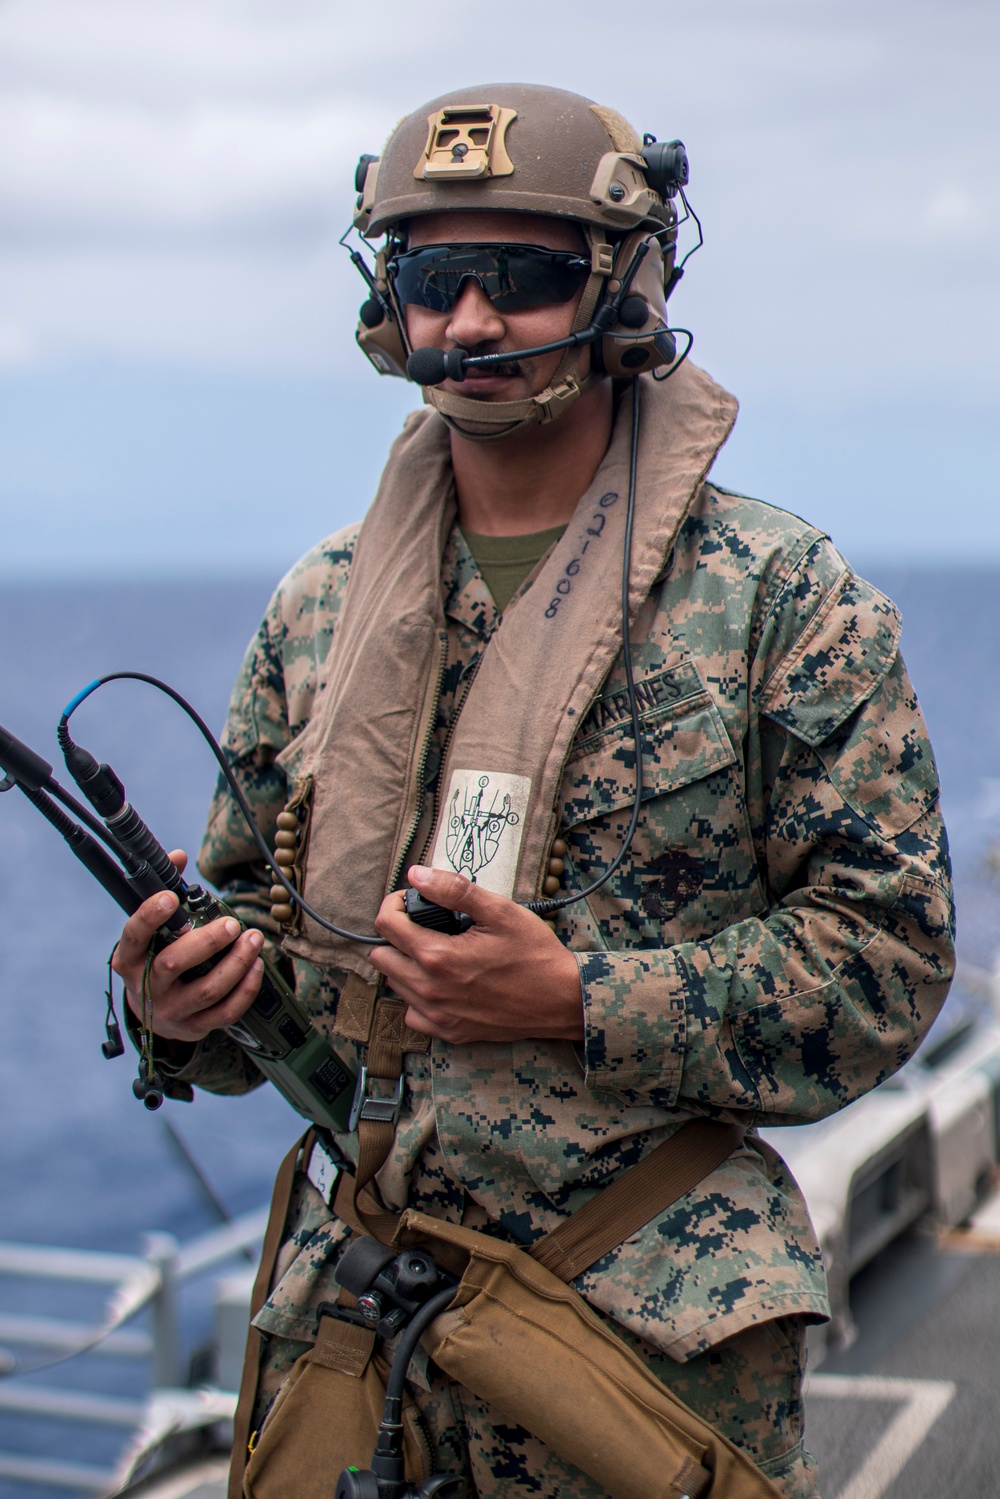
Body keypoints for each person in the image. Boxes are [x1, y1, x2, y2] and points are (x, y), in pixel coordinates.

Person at [111, 83, 955, 1499]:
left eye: (527, 277)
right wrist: (182, 1006)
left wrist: (575, 1000)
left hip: (638, 1343)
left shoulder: (780, 603)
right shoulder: (321, 609)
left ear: (624, 286)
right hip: (363, 1321)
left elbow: (887, 962)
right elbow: (257, 915)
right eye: (434, 280)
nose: (472, 323)